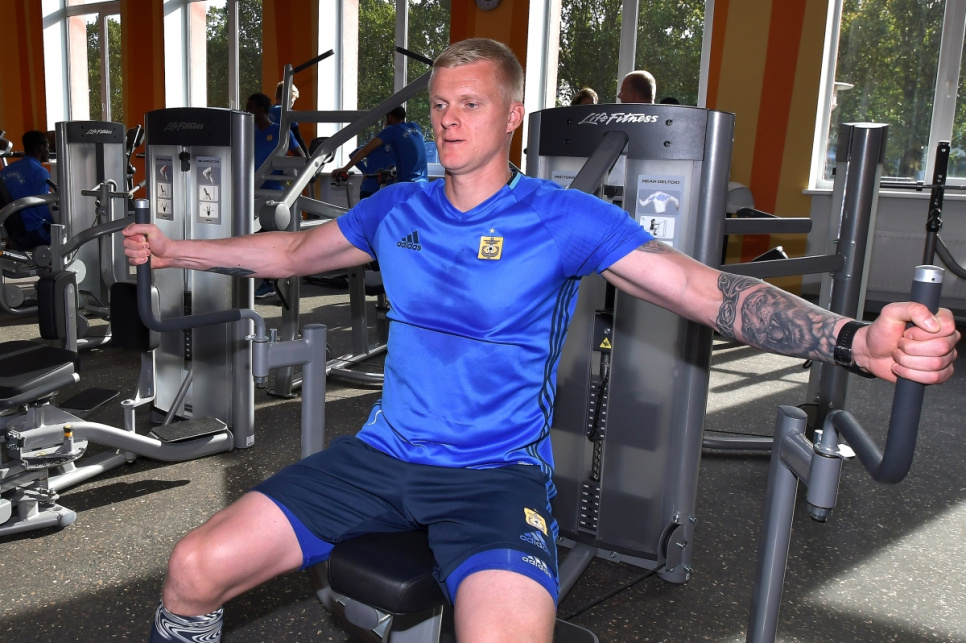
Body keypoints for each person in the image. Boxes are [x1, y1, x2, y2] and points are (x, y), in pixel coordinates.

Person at [124, 38, 959, 643]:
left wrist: (854, 340)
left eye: (471, 104)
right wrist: (176, 248)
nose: (449, 121)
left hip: (495, 476)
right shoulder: (398, 208)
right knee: (194, 569)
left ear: (513, 115)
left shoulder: (562, 219)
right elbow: (294, 253)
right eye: (440, 105)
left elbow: (701, 290)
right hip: (382, 455)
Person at [246, 92, 304, 299]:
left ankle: (273, 282)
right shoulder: (250, 133)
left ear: (260, 109)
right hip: (252, 190)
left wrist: (295, 175)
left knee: (272, 238)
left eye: (250, 106)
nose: (247, 110)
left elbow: (301, 156)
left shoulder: (279, 132)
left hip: (273, 191)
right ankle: (268, 280)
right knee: (256, 239)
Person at [334, 105, 428, 183]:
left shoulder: (392, 130)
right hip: (423, 182)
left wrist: (345, 168)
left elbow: (366, 150)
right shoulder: (415, 126)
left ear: (390, 117)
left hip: (408, 183)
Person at [1, 130, 54, 249]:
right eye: (47, 147)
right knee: (66, 230)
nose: (48, 151)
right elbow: (43, 211)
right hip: (32, 231)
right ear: (41, 148)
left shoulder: (6, 170)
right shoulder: (40, 172)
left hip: (10, 229)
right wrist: (61, 217)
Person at [271, 81, 309, 155]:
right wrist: (308, 157)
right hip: (278, 154)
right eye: (293, 101)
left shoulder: (268, 110)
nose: (292, 105)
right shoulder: (286, 113)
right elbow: (298, 137)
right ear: (289, 98)